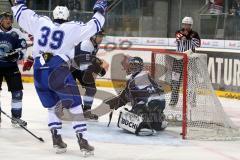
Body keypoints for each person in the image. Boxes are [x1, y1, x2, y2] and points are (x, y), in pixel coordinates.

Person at [11, 0, 107, 155]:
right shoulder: (72, 27)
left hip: (39, 68)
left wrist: (18, 4)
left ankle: (57, 140)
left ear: (53, 14)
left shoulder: (41, 22)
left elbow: (22, 15)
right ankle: (83, 142)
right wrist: (100, 11)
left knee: (52, 106)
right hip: (57, 67)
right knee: (75, 105)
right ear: (67, 16)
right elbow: (93, 26)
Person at [105, 57, 167, 136]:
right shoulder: (147, 75)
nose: (133, 67)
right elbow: (158, 90)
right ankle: (159, 122)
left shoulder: (133, 80)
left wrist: (118, 102)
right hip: (160, 104)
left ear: (140, 66)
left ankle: (143, 126)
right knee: (154, 121)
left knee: (125, 117)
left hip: (150, 104)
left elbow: (127, 96)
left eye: (135, 65)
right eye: (131, 65)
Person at [72, 29, 106, 120]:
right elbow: (84, 65)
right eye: (100, 36)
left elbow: (89, 60)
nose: (101, 39)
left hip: (79, 67)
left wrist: (96, 65)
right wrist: (99, 68)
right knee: (70, 90)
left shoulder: (95, 45)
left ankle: (86, 111)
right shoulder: (86, 44)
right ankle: (60, 107)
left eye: (102, 37)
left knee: (91, 89)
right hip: (71, 69)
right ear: (93, 36)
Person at [0, 11, 27, 126]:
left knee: (17, 93)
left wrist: (16, 56)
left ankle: (16, 118)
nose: (9, 20)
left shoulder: (17, 33)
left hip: (11, 67)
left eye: (10, 18)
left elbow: (23, 49)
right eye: (6, 18)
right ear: (1, 20)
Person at [169, 17, 201, 107]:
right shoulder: (178, 32)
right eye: (185, 24)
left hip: (191, 59)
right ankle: (173, 100)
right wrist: (189, 38)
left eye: (188, 25)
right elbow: (180, 38)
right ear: (183, 24)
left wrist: (189, 38)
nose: (186, 26)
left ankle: (192, 100)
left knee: (192, 80)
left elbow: (198, 44)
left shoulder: (195, 33)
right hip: (178, 59)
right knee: (175, 80)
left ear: (191, 25)